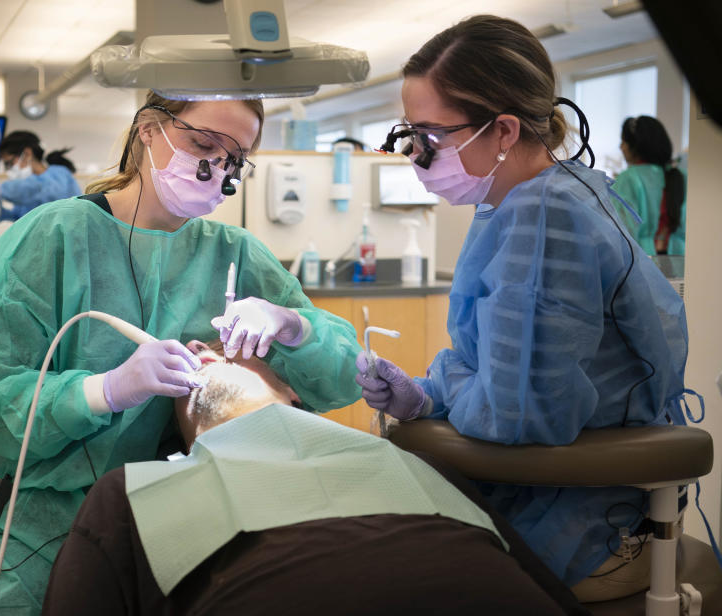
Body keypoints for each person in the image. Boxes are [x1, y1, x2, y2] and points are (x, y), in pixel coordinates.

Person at [0, 93, 362, 614]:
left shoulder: (234, 253)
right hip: (36, 525)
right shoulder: (53, 236)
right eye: (203, 144)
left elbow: (339, 381)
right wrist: (104, 389)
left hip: (177, 518)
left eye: (235, 158)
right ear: (148, 129)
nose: (216, 167)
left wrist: (292, 326)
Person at [355, 15, 689, 601]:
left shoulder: (545, 219)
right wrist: (427, 392)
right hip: (548, 489)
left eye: (429, 137)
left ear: (503, 130)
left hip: (581, 519)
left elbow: (519, 417)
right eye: (409, 134)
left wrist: (438, 397)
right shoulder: (525, 201)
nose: (415, 153)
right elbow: (498, 367)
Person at [42, 340, 588, 616]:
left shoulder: (413, 463)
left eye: (232, 351)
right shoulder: (133, 491)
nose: (203, 353)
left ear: (293, 394)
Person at [612, 115, 686, 255]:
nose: (620, 147)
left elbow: (621, 232)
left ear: (635, 146)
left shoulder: (628, 179)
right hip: (681, 263)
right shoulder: (681, 176)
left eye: (623, 141)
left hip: (643, 263)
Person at [0, 130, 81, 219]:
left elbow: (42, 190)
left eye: (9, 163)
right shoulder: (27, 190)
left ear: (27, 153)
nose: (9, 169)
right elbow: (21, 218)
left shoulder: (59, 174)